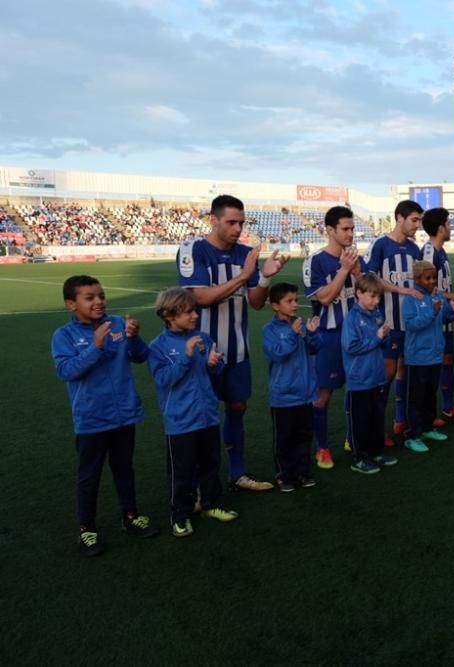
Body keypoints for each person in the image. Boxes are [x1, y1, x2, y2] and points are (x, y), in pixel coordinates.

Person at [177, 194, 289, 492]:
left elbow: (255, 303)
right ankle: (203, 484)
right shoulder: (193, 249)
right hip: (203, 352)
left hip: (237, 348)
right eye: (231, 222)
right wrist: (244, 276)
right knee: (204, 414)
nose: (238, 228)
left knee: (237, 407)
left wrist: (264, 278)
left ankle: (238, 473)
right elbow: (199, 297)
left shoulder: (246, 253)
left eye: (241, 222)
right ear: (213, 220)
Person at [52, 275, 159, 556]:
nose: (98, 301)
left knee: (124, 469)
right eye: (89, 298)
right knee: (90, 475)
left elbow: (141, 356)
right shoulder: (64, 336)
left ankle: (130, 516)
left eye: (101, 295)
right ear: (70, 304)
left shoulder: (118, 324)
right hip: (92, 419)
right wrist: (95, 347)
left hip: (124, 414)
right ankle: (86, 529)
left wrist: (134, 338)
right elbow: (66, 371)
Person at [148, 288, 239, 538]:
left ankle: (210, 504)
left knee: (211, 464)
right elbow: (165, 379)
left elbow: (216, 372)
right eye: (188, 312)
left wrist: (214, 364)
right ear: (169, 315)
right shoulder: (158, 347)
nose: (194, 316)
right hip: (180, 421)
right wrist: (187, 356)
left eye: (194, 311)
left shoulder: (203, 338)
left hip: (207, 415)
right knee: (182, 472)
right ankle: (180, 515)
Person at [303, 205, 361, 469]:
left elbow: (369, 289)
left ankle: (353, 437)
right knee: (322, 396)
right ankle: (323, 448)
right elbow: (324, 297)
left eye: (352, 228)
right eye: (345, 229)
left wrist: (357, 271)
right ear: (330, 230)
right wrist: (344, 270)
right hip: (329, 336)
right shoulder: (315, 261)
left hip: (356, 335)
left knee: (357, 389)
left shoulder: (355, 257)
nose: (351, 233)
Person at [364, 199, 426, 442]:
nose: (417, 225)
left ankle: (400, 420)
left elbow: (420, 282)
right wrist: (403, 290)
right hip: (388, 323)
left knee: (406, 372)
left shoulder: (414, 249)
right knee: (387, 373)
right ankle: (376, 429)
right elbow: (369, 278)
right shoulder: (380, 244)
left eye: (419, 220)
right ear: (399, 218)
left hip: (411, 324)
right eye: (414, 220)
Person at [263, 283, 321, 492]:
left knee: (304, 436)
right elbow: (278, 354)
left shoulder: (301, 324)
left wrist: (313, 333)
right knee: (285, 438)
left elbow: (315, 348)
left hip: (305, 394)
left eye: (296, 300)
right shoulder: (269, 330)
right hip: (284, 396)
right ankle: (284, 475)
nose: (295, 304)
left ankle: (303, 472)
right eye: (289, 301)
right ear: (276, 306)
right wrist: (292, 335)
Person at [341, 274, 399, 475]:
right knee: (361, 420)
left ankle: (376, 452)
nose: (376, 301)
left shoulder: (376, 315)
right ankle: (359, 457)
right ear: (359, 293)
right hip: (359, 380)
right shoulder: (352, 318)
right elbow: (351, 346)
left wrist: (385, 335)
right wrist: (377, 337)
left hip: (376, 376)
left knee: (376, 417)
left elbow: (380, 342)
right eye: (372, 296)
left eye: (379, 298)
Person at [401, 261, 454, 453]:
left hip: (434, 355)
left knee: (430, 395)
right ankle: (412, 435)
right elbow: (413, 325)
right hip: (417, 357)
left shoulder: (437, 295)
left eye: (434, 278)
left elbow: (445, 316)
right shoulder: (410, 299)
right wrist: (432, 312)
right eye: (428, 278)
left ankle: (427, 428)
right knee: (416, 398)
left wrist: (452, 309)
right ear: (417, 279)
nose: (432, 281)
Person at [421, 208, 454, 427]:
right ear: (440, 227)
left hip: (445, 315)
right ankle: (427, 415)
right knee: (434, 365)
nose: (450, 227)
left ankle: (448, 406)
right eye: (448, 224)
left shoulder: (441, 251)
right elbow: (428, 288)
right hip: (434, 317)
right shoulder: (429, 252)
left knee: (448, 359)